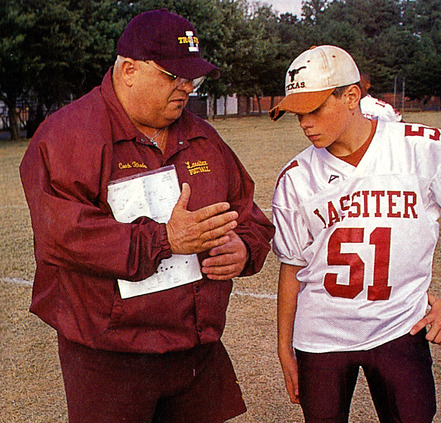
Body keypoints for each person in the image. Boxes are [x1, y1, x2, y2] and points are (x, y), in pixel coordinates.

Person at [20, 9, 274, 423]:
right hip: (111, 357)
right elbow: (63, 235)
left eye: (192, 77)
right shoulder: (69, 135)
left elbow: (249, 215)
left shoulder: (203, 137)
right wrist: (163, 240)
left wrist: (244, 250)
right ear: (129, 69)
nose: (186, 88)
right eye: (172, 76)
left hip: (194, 351)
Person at [269, 45, 441, 423]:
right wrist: (284, 347)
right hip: (321, 336)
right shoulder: (296, 178)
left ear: (351, 96)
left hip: (399, 327)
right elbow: (291, 267)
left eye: (315, 109)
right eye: (297, 114)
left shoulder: (422, 148)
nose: (305, 123)